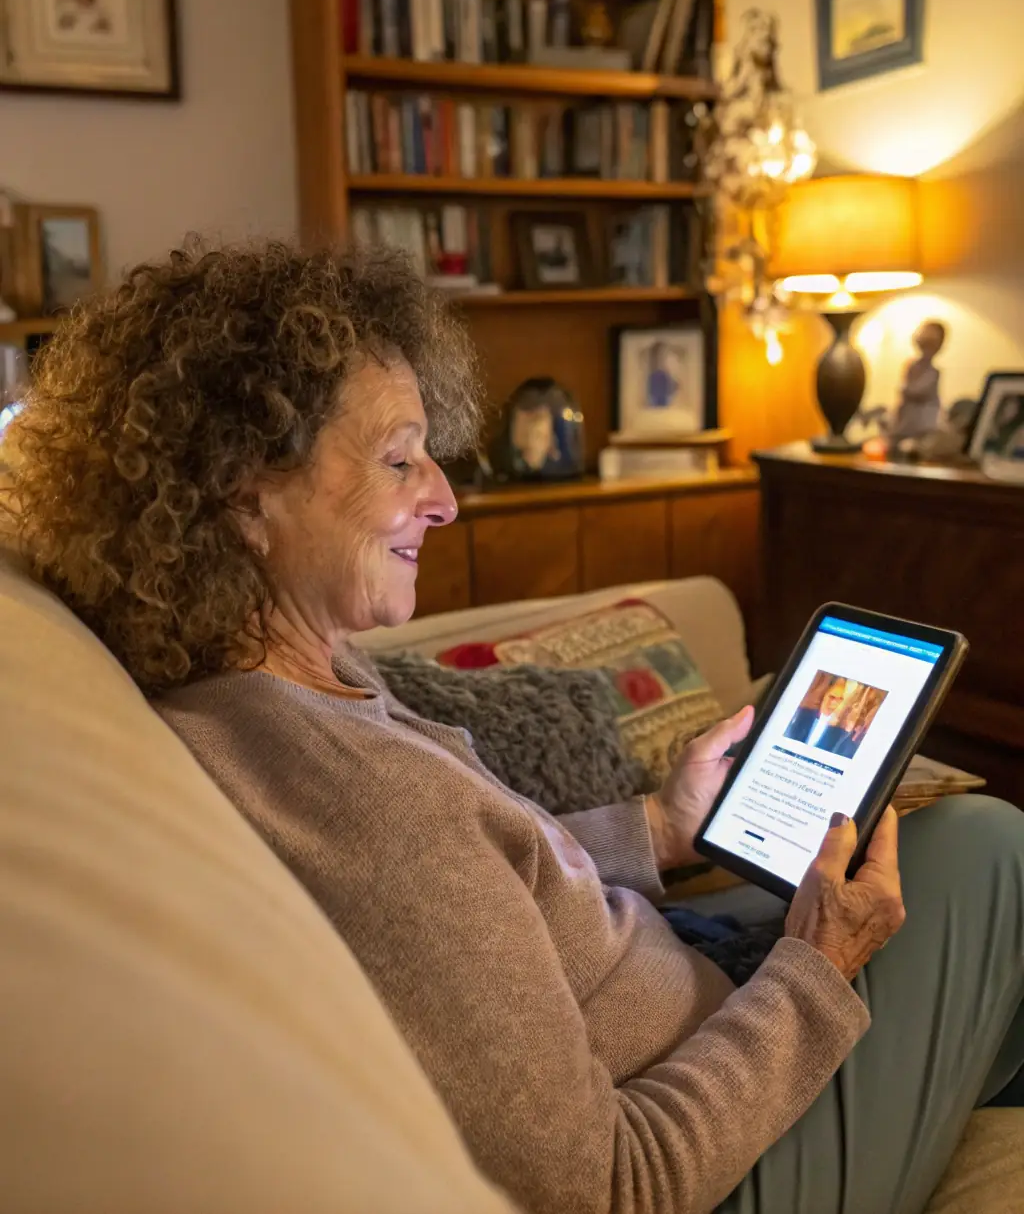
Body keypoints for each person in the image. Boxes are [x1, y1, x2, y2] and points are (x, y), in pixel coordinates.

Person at [8, 240, 1024, 1214]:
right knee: (988, 845)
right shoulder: (351, 795)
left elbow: (460, 902)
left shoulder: (267, 682)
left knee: (927, 848)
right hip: (707, 1166)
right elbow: (601, 1191)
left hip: (675, 983)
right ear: (244, 489)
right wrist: (816, 971)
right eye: (401, 461)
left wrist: (657, 830)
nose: (444, 502)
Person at [784, 675, 856, 754]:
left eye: (841, 700)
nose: (834, 703)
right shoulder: (800, 715)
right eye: (832, 697)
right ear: (824, 694)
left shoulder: (844, 734)